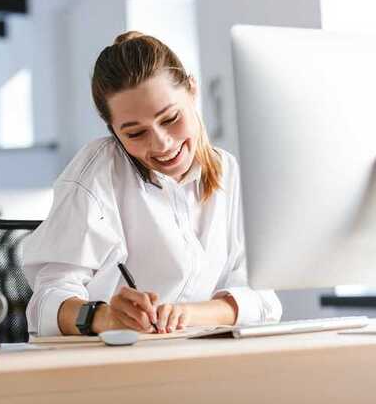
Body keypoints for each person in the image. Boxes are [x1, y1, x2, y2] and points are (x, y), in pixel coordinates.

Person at [23, 31, 282, 337]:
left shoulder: (227, 171)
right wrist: (103, 317)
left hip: (200, 357)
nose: (162, 144)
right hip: (114, 364)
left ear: (192, 91)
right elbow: (45, 305)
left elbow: (263, 300)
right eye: (135, 133)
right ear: (114, 131)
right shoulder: (98, 172)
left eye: (170, 118)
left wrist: (186, 315)